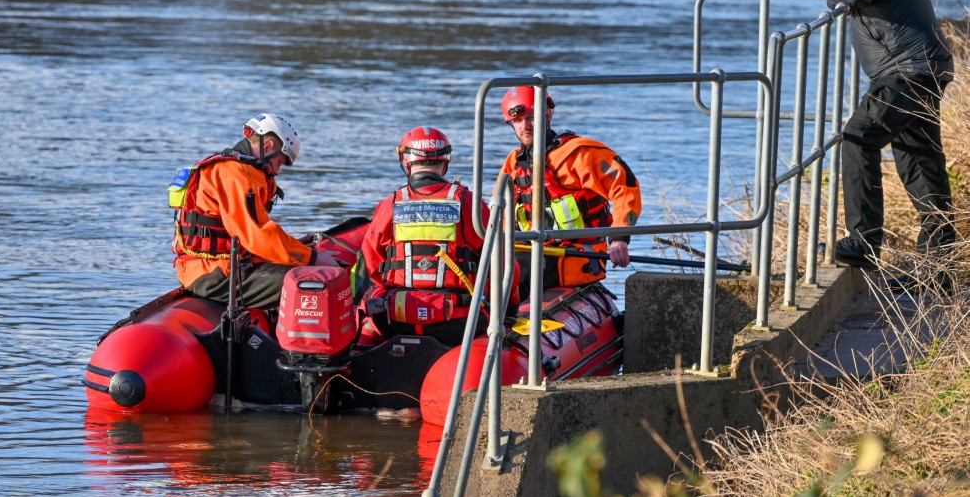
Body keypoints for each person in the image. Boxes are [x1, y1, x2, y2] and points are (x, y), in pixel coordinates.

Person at [809, 0, 956, 268]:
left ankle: (864, 242)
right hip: (922, 68)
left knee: (857, 137)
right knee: (918, 161)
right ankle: (940, 265)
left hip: (908, 72)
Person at [361, 127, 516, 346]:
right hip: (457, 323)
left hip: (396, 320)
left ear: (406, 162)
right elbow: (503, 262)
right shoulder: (469, 204)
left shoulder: (390, 205)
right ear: (445, 163)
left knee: (367, 324)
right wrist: (509, 308)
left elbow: (372, 263)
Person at [169, 113, 338, 312]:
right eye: (280, 163)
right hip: (214, 275)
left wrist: (299, 249)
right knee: (312, 280)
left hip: (216, 267)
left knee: (304, 268)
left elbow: (253, 236)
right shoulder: (236, 175)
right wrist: (312, 258)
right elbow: (256, 237)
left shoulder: (233, 169)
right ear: (267, 148)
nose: (277, 172)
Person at [500, 86, 642, 294]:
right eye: (518, 120)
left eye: (531, 117)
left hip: (578, 255)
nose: (525, 126)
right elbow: (500, 213)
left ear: (547, 114)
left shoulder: (580, 154)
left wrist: (619, 238)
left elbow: (625, 187)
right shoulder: (513, 163)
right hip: (533, 251)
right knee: (492, 269)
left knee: (517, 271)